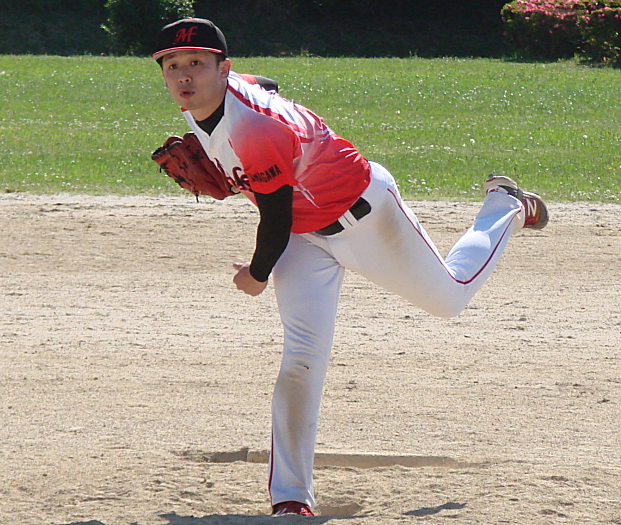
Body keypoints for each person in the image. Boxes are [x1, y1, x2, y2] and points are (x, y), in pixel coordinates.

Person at [152, 18, 548, 517]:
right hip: (304, 237)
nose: (184, 75)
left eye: (197, 63)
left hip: (365, 217)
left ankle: (505, 207)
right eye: (173, 65)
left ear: (223, 68)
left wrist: (255, 274)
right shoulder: (209, 101)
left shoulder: (255, 127)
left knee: (449, 298)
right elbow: (266, 84)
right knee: (301, 359)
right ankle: (291, 498)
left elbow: (274, 219)